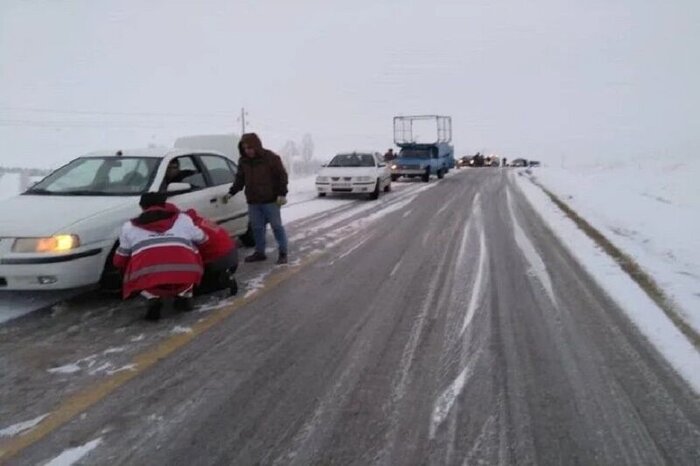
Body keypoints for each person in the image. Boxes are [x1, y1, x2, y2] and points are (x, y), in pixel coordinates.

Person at [113, 193, 206, 321]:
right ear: (164, 204)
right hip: (185, 272)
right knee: (191, 248)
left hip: (148, 277)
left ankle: (151, 297)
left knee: (132, 258)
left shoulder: (129, 227)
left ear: (141, 207)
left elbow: (119, 260)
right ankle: (185, 294)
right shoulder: (183, 219)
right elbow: (203, 239)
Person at [226, 133, 289, 265]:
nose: (247, 150)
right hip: (253, 201)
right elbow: (240, 179)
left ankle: (283, 253)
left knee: (276, 227)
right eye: (244, 148)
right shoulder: (243, 161)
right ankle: (260, 252)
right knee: (257, 228)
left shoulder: (271, 158)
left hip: (271, 200)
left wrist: (282, 194)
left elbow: (282, 176)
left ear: (256, 146)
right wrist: (231, 192)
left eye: (250, 147)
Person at [184, 208, 239, 296]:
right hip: (232, 254)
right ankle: (224, 275)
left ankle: (223, 281)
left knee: (197, 290)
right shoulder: (203, 221)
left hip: (218, 259)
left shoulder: (192, 229)